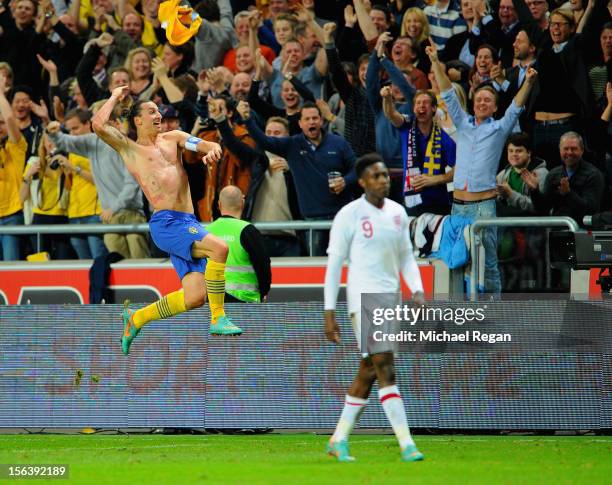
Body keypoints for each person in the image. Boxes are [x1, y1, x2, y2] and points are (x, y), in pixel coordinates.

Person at [91, 86, 243, 355]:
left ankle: (136, 319)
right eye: (151, 111)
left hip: (188, 221)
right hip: (167, 224)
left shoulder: (173, 138)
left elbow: (202, 144)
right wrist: (114, 96)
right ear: (137, 120)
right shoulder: (130, 149)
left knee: (195, 297)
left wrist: (212, 149)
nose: (158, 114)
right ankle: (218, 317)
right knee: (220, 248)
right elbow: (98, 124)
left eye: (159, 110)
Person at [324, 153, 425, 463]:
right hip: (362, 298)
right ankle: (407, 444)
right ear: (363, 181)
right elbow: (334, 264)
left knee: (369, 368)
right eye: (377, 176)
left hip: (390, 298)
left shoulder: (398, 212)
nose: (384, 180)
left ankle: (339, 439)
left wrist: (417, 290)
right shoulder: (349, 214)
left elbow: (406, 256)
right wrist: (329, 312)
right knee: (386, 366)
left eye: (385, 175)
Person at [427, 38, 537, 295]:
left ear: (495, 106)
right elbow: (447, 94)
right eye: (479, 99)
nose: (482, 102)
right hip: (458, 206)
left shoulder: (499, 129)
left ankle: (493, 314)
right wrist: (434, 62)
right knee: (457, 261)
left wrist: (529, 82)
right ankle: (463, 315)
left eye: (488, 100)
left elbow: (516, 108)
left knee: (487, 264)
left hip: (483, 207)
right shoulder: (463, 124)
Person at [206, 186, 271, 303]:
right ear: (242, 203)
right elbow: (263, 264)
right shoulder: (248, 230)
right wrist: (264, 291)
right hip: (245, 301)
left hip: (214, 302)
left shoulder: (206, 232)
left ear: (219, 205)